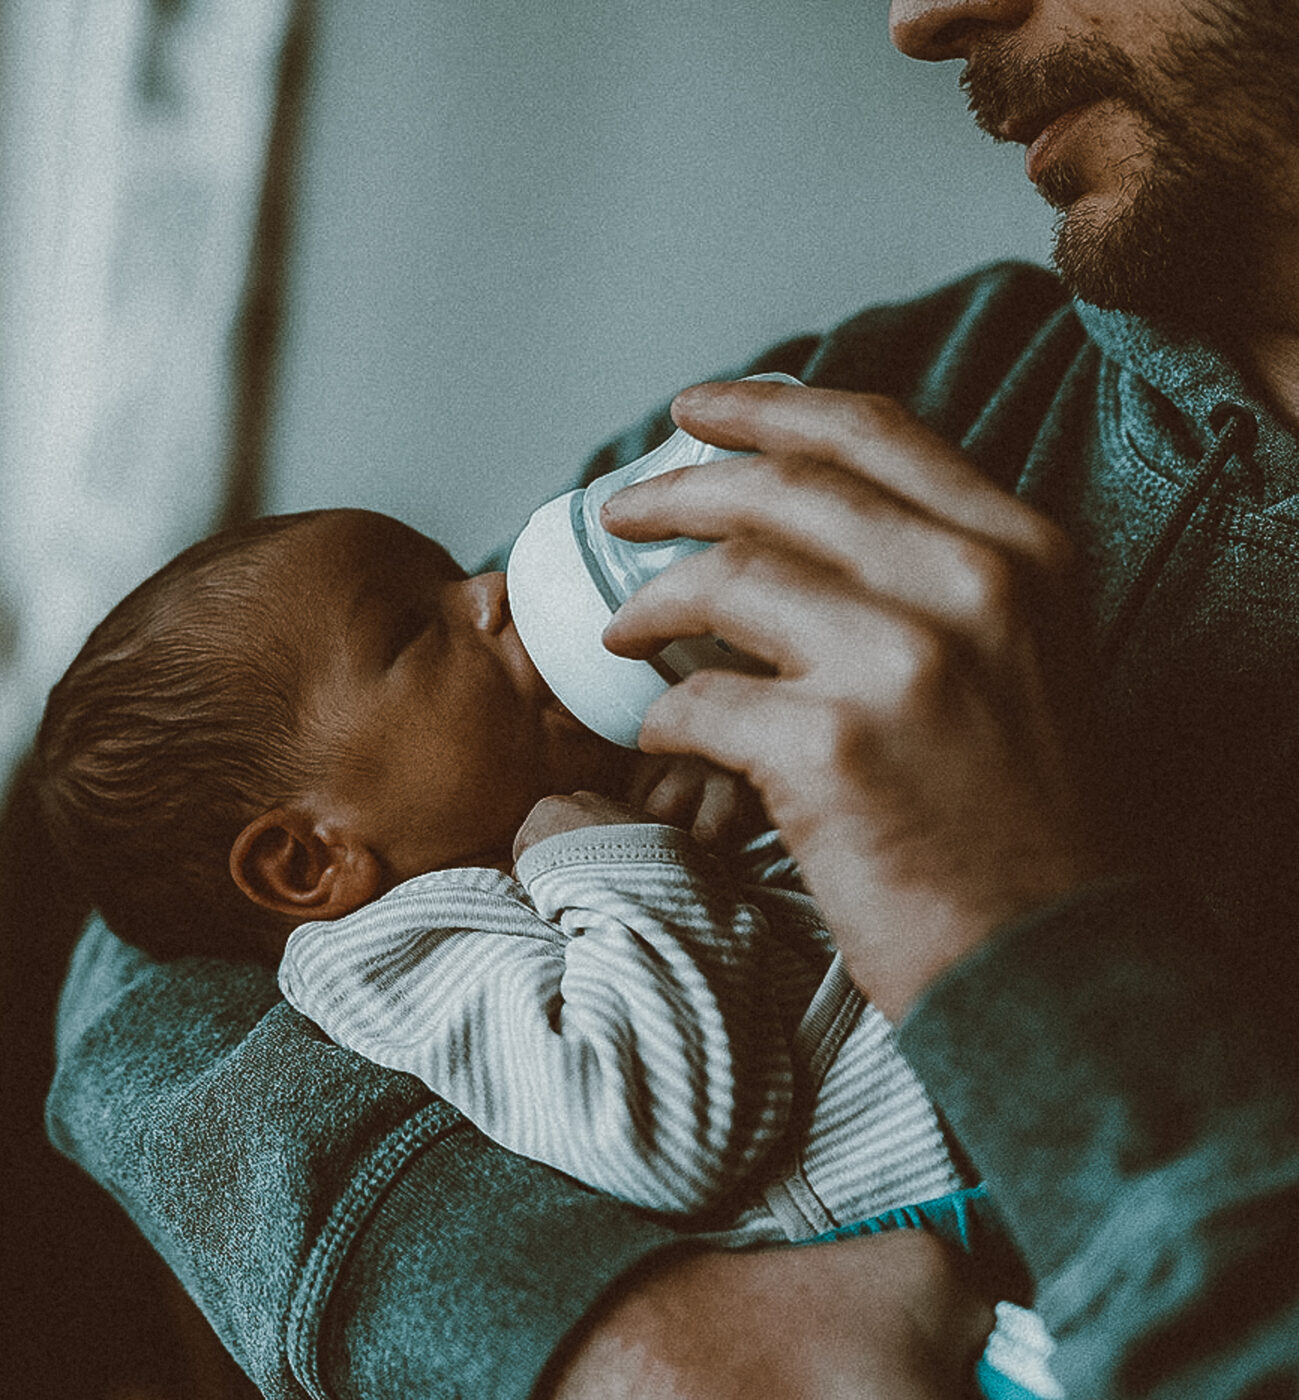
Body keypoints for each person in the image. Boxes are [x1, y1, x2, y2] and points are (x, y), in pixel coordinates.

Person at [43, 0, 1299, 1396]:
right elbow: (145, 952)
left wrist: (1006, 925)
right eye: (418, 626)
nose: (918, 18)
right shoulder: (909, 391)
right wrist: (587, 1327)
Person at [35, 504, 1055, 1393]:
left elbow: (784, 965)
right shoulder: (397, 955)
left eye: (452, 577)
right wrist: (612, 857)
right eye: (409, 629)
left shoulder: (569, 825)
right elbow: (659, 1130)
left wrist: (724, 827)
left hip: (1025, 1155)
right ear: (309, 861)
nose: (487, 592)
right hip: (927, 1274)